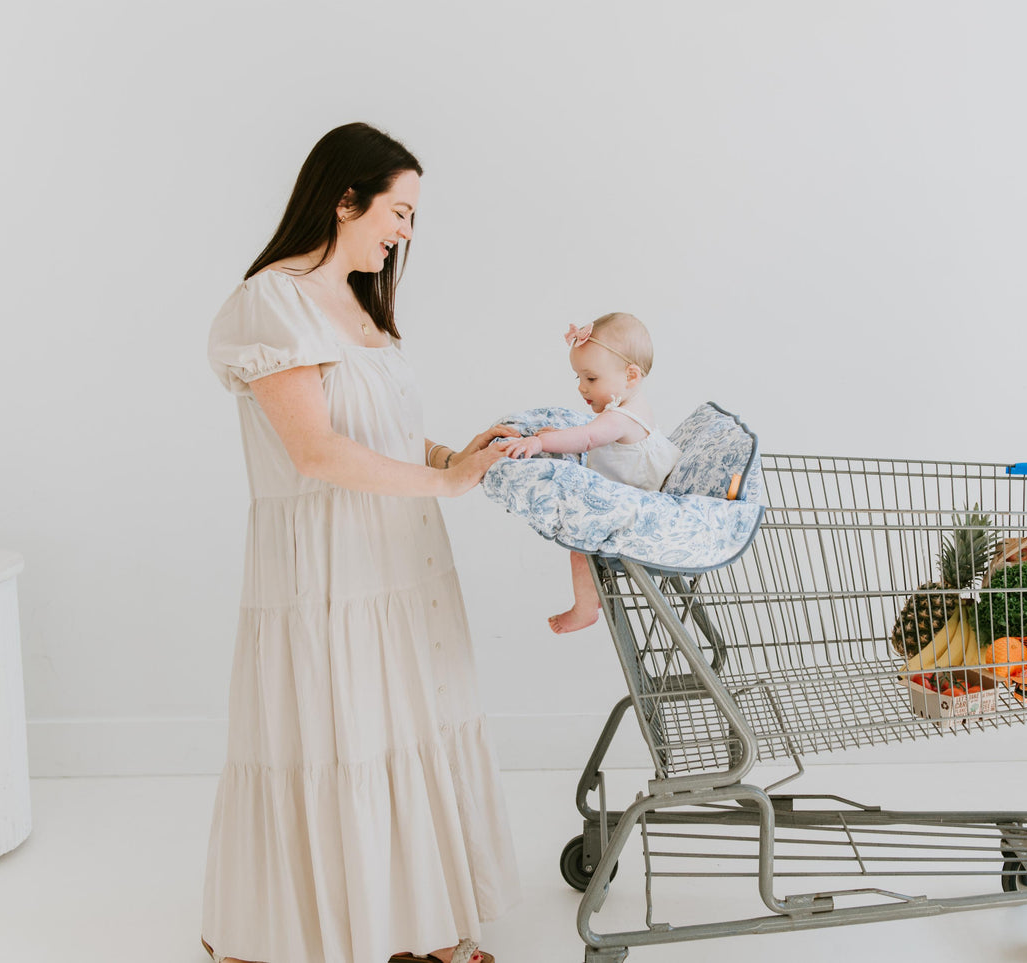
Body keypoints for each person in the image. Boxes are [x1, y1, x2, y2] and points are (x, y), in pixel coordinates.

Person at [201, 122, 520, 963]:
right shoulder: (272, 298)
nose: (405, 232)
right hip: (330, 563)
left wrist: (456, 456)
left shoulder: (358, 300)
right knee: (342, 731)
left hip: (398, 556)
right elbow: (314, 450)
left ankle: (411, 927)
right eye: (399, 210)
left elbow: (378, 435)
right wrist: (446, 484)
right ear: (345, 198)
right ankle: (322, 931)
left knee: (402, 726)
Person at [498, 313, 680, 633]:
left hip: (638, 507)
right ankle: (591, 598)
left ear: (631, 375)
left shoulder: (622, 417)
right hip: (638, 495)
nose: (582, 387)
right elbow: (594, 440)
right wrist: (557, 437)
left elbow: (587, 437)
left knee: (578, 544)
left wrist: (540, 440)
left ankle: (586, 608)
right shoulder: (629, 407)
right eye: (578, 378)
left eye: (591, 379)